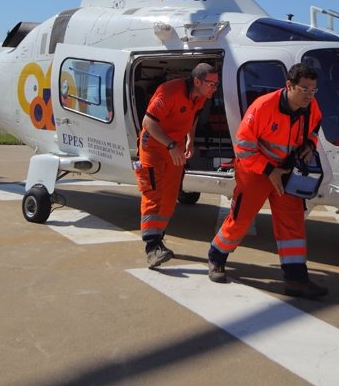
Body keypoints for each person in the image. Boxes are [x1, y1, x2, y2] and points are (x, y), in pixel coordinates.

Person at [207, 63, 328, 299]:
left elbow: (315, 127)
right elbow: (243, 146)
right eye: (304, 89)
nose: (310, 95)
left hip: (285, 171)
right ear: (289, 86)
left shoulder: (311, 106)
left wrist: (309, 145)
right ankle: (216, 257)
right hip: (254, 170)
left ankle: (296, 279)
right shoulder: (263, 107)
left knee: (292, 223)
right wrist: (269, 170)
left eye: (314, 90)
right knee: (241, 218)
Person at [136, 62, 219, 268]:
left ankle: (159, 237)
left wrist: (190, 139)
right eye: (211, 84)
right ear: (197, 81)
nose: (214, 88)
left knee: (170, 196)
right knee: (153, 194)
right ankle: (152, 247)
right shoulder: (169, 92)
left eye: (216, 84)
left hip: (175, 148)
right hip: (154, 147)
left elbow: (192, 117)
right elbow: (149, 123)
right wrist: (171, 145)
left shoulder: (199, 96)